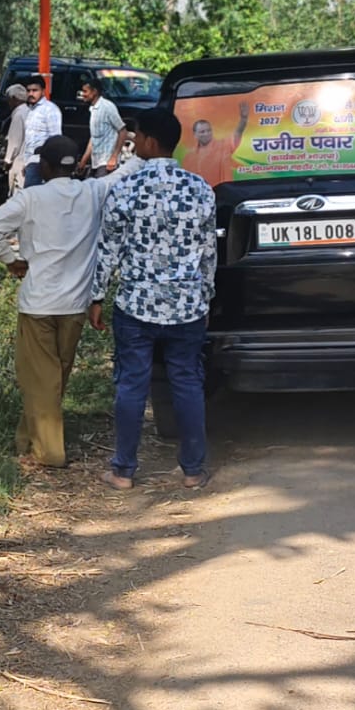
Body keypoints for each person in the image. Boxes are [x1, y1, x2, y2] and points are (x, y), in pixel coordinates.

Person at [89, 108, 217, 491]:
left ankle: (123, 471)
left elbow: (108, 250)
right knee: (187, 383)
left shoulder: (125, 188)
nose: (133, 142)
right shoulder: (200, 189)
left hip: (136, 306)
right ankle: (193, 471)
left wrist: (97, 296)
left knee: (131, 385)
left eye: (136, 136)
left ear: (150, 141)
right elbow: (208, 254)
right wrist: (205, 298)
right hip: (186, 307)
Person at [0, 135, 110, 469]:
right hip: (75, 305)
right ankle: (26, 439)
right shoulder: (93, 192)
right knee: (53, 378)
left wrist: (9, 259)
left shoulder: (31, 198)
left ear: (46, 166)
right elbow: (125, 174)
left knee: (40, 380)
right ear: (75, 165)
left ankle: (49, 453)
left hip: (38, 303)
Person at [181, 102, 250, 188]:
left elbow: (238, 132)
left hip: (222, 192)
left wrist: (243, 119)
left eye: (209, 130)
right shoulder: (189, 158)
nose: (206, 134)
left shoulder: (223, 146)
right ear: (195, 134)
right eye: (202, 132)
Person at [75, 77, 130, 178]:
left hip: (107, 162)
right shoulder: (93, 109)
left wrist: (114, 157)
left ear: (94, 92)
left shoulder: (107, 107)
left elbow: (123, 131)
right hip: (96, 161)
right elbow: (94, 138)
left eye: (85, 91)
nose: (83, 94)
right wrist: (83, 161)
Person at [21, 76, 62, 188]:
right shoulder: (31, 110)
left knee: (34, 194)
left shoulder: (50, 109)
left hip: (42, 161)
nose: (31, 94)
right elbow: (29, 140)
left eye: (35, 90)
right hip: (31, 161)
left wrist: (50, 165)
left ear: (43, 91)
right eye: (28, 90)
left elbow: (56, 139)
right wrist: (25, 163)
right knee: (30, 194)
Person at [4, 83, 30, 192]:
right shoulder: (29, 111)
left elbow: (15, 142)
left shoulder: (19, 115)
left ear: (14, 99)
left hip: (19, 161)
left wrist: (7, 160)